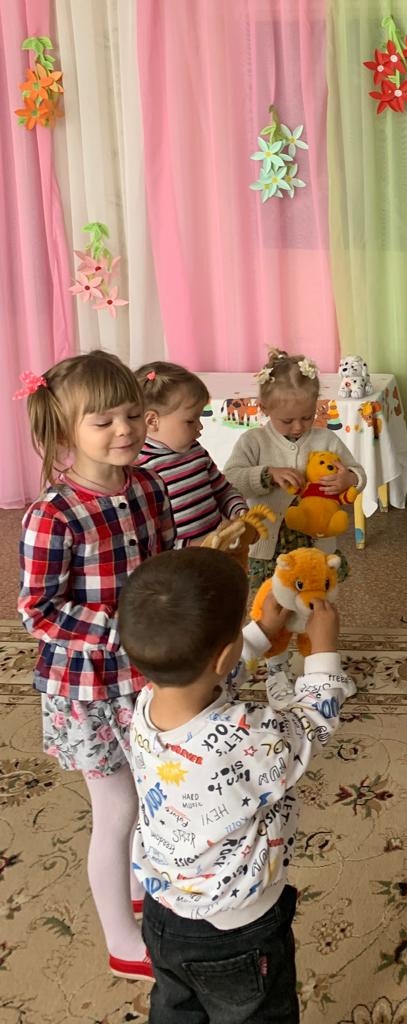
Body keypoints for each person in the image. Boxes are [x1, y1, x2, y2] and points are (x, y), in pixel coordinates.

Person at [118, 547, 353, 1022]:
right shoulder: (247, 738)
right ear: (224, 654)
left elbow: (208, 678)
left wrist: (259, 633)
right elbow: (312, 724)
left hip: (164, 912)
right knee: (259, 1012)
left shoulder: (145, 705)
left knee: (176, 1007)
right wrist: (324, 653)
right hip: (238, 928)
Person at [17, 350, 175, 981]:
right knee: (117, 808)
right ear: (65, 429)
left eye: (133, 414)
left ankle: (141, 890)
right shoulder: (53, 514)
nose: (124, 430)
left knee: (154, 790)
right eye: (102, 421)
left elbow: (163, 562)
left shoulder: (149, 485)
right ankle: (122, 942)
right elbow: (37, 610)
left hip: (148, 672)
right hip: (87, 687)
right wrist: (120, 629)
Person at [223, 347, 365, 593]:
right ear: (264, 409)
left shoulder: (326, 440)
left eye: (307, 417)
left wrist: (350, 479)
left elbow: (357, 472)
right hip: (268, 547)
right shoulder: (254, 441)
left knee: (314, 596)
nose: (298, 427)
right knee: (270, 599)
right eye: (287, 421)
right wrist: (267, 474)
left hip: (315, 544)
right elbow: (231, 480)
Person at [135, 361, 248, 545]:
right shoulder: (140, 470)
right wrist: (194, 547)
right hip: (180, 561)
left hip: (219, 552)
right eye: (190, 421)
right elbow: (150, 539)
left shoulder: (196, 451)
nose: (200, 427)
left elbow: (223, 491)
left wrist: (239, 511)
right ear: (152, 421)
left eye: (199, 418)